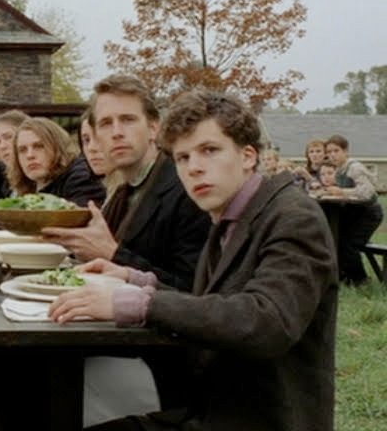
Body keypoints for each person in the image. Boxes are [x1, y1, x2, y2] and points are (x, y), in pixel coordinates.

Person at [50, 89, 337, 431]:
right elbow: (212, 303)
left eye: (209, 150)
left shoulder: (293, 216)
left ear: (248, 155)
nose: (195, 168)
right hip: (209, 408)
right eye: (183, 158)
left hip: (260, 418)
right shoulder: (228, 217)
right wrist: (136, 278)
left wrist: (139, 303)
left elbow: (268, 321)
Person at [43, 75, 210, 292]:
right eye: (105, 123)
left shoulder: (186, 188)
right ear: (95, 135)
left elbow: (194, 291)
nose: (117, 132)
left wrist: (112, 253)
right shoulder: (124, 191)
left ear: (153, 128)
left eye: (128, 120)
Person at [322, 134, 383, 285]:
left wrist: (342, 192)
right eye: (329, 152)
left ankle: (361, 280)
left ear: (346, 151)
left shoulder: (354, 168)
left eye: (336, 151)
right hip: (354, 212)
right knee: (337, 239)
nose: (332, 155)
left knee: (350, 245)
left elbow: (367, 192)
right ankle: (344, 277)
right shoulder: (339, 169)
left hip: (368, 213)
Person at [8, 117, 106, 207]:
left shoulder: (81, 176)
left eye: (39, 146)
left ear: (57, 147)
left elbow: (78, 219)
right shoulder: (29, 186)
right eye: (22, 150)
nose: (30, 155)